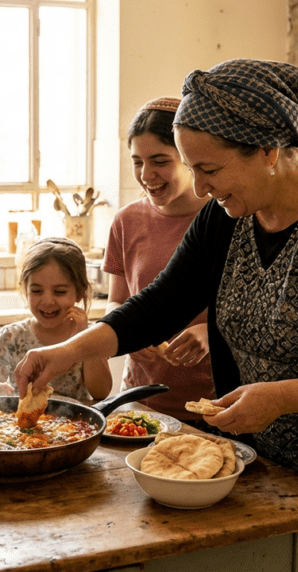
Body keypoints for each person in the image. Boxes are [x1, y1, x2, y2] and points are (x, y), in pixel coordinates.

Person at [15, 59, 298, 572]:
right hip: (276, 474)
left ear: (268, 151)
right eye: (192, 167)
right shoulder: (224, 221)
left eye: (210, 169)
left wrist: (282, 397)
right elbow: (158, 305)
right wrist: (65, 350)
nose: (199, 188)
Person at [103, 97, 215, 421]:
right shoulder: (126, 220)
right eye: (138, 162)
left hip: (212, 407)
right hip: (140, 405)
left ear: (189, 159)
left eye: (160, 161)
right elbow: (116, 301)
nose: (146, 174)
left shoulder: (225, 218)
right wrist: (128, 335)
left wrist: (209, 333)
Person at [0, 237, 112, 402]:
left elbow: (101, 392)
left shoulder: (91, 335)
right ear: (25, 290)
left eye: (59, 292)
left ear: (80, 292)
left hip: (74, 425)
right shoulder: (10, 337)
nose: (47, 301)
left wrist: (84, 338)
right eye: (37, 291)